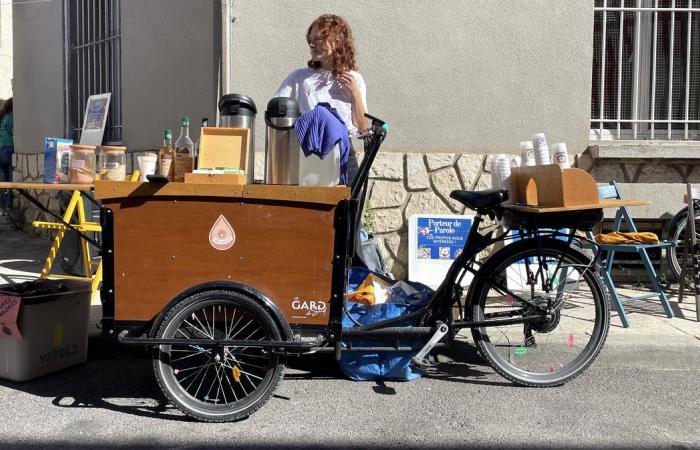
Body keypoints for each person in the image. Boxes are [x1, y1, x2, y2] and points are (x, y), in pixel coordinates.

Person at [274, 14, 368, 185]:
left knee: (349, 209)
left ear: (337, 41)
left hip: (344, 153)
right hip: (310, 153)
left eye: (318, 39)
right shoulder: (300, 78)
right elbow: (276, 107)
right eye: (310, 40)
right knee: (313, 210)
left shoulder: (354, 79)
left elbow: (362, 128)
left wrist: (355, 93)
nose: (312, 44)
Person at [0, 97, 13, 216]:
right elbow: (13, 133)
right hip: (8, 150)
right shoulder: (10, 117)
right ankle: (9, 207)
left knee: (2, 182)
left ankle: (2, 208)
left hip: (0, 150)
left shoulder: (2, 116)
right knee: (10, 181)